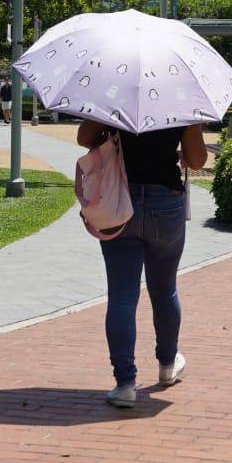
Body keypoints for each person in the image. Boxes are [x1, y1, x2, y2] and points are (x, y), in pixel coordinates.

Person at [75, 120, 208, 407]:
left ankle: (125, 384)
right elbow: (197, 160)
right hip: (165, 202)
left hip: (119, 199)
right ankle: (167, 364)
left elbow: (84, 138)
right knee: (164, 289)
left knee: (122, 296)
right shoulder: (180, 102)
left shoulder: (113, 96)